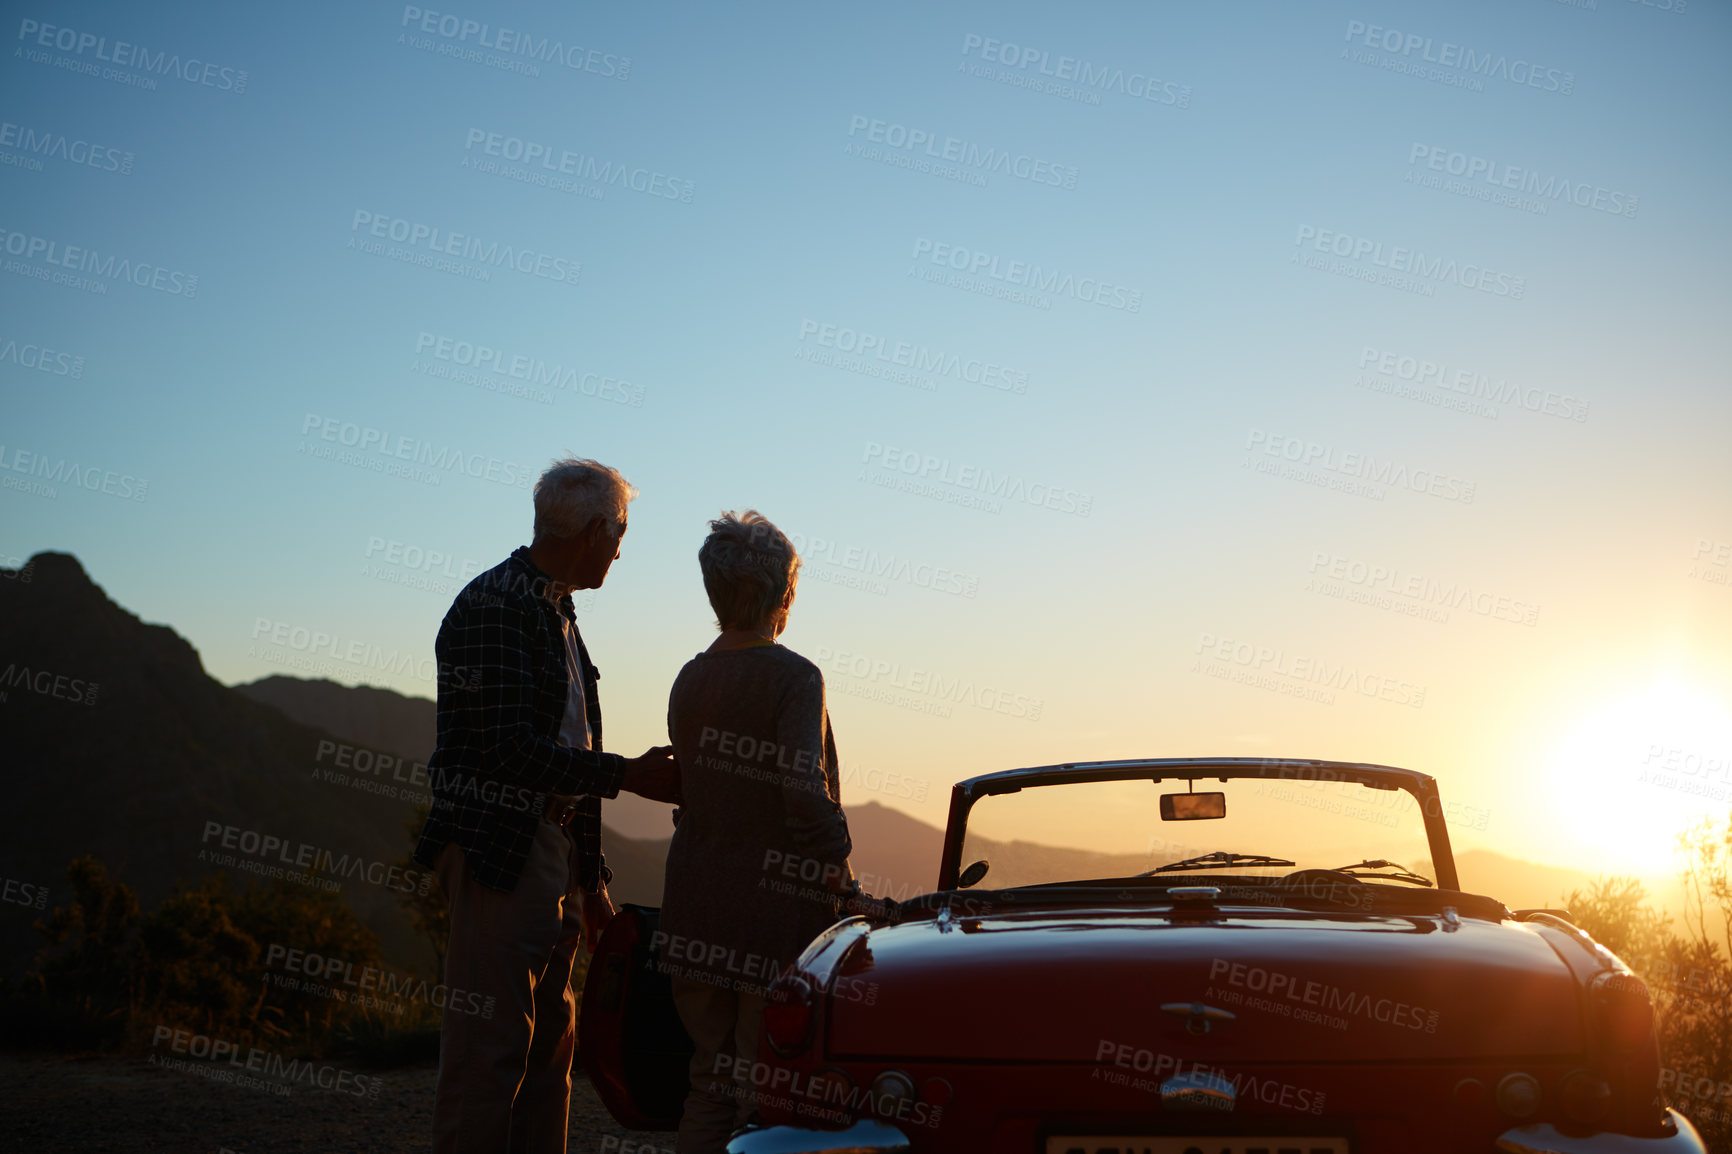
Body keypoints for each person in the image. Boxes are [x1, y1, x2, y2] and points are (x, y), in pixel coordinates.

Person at [413, 457, 680, 1154]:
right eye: (620, 532)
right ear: (595, 529)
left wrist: (590, 883)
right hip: (499, 848)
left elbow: (569, 746)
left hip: (549, 855)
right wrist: (630, 775)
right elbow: (507, 751)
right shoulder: (499, 606)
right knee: (489, 1054)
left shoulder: (553, 607)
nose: (622, 549)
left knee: (547, 1056)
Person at [659, 511, 879, 1154]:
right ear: (783, 594)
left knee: (708, 1083)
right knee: (768, 1088)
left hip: (695, 906)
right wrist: (841, 872)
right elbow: (804, 793)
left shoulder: (689, 678)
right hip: (773, 914)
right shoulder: (795, 676)